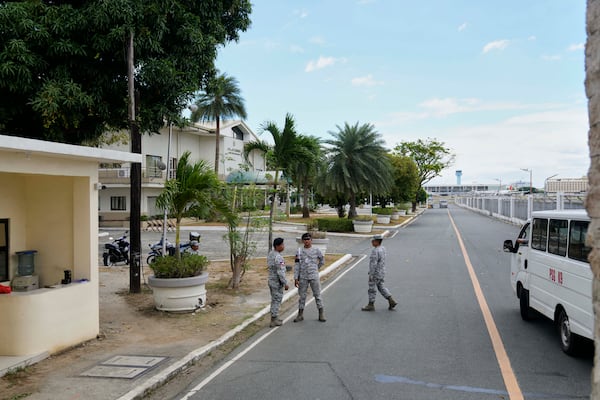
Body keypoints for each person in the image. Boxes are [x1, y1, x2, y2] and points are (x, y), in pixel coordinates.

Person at [293, 232, 326, 322]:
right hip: (303, 276)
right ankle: (300, 314)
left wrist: (316, 268)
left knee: (317, 295)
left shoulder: (316, 250)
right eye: (305, 239)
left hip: (313, 276)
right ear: (303, 241)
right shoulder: (299, 251)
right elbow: (296, 265)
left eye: (308, 239)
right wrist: (296, 278)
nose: (307, 241)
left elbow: (322, 260)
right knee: (302, 296)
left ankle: (321, 313)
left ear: (311, 240)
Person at [362, 234, 397, 311]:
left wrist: (371, 274)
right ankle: (391, 300)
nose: (372, 242)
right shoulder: (383, 248)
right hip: (382, 271)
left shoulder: (375, 251)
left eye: (373, 241)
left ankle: (370, 304)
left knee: (372, 288)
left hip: (375, 273)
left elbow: (373, 264)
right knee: (381, 286)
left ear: (377, 242)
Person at [267, 237, 289, 327]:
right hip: (277, 282)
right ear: (277, 246)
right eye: (282, 245)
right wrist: (285, 283)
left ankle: (274, 317)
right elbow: (280, 272)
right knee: (277, 300)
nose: (283, 246)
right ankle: (273, 319)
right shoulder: (278, 257)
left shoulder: (271, 254)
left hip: (271, 280)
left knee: (274, 299)